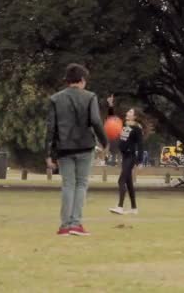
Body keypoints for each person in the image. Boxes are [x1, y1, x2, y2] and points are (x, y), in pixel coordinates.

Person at [45, 63, 108, 236]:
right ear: (82, 80)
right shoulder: (90, 97)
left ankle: (65, 225)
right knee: (81, 184)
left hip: (64, 147)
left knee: (68, 185)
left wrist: (48, 153)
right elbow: (95, 121)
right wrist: (104, 142)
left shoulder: (55, 99)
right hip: (85, 145)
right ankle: (76, 223)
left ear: (67, 81)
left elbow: (51, 128)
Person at [107, 94, 144, 215]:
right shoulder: (123, 124)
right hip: (124, 156)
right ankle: (134, 208)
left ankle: (120, 207)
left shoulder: (137, 129)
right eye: (128, 111)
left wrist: (140, 161)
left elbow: (140, 145)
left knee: (121, 181)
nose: (127, 113)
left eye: (130, 112)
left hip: (130, 157)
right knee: (129, 183)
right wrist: (111, 105)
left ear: (135, 116)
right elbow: (112, 119)